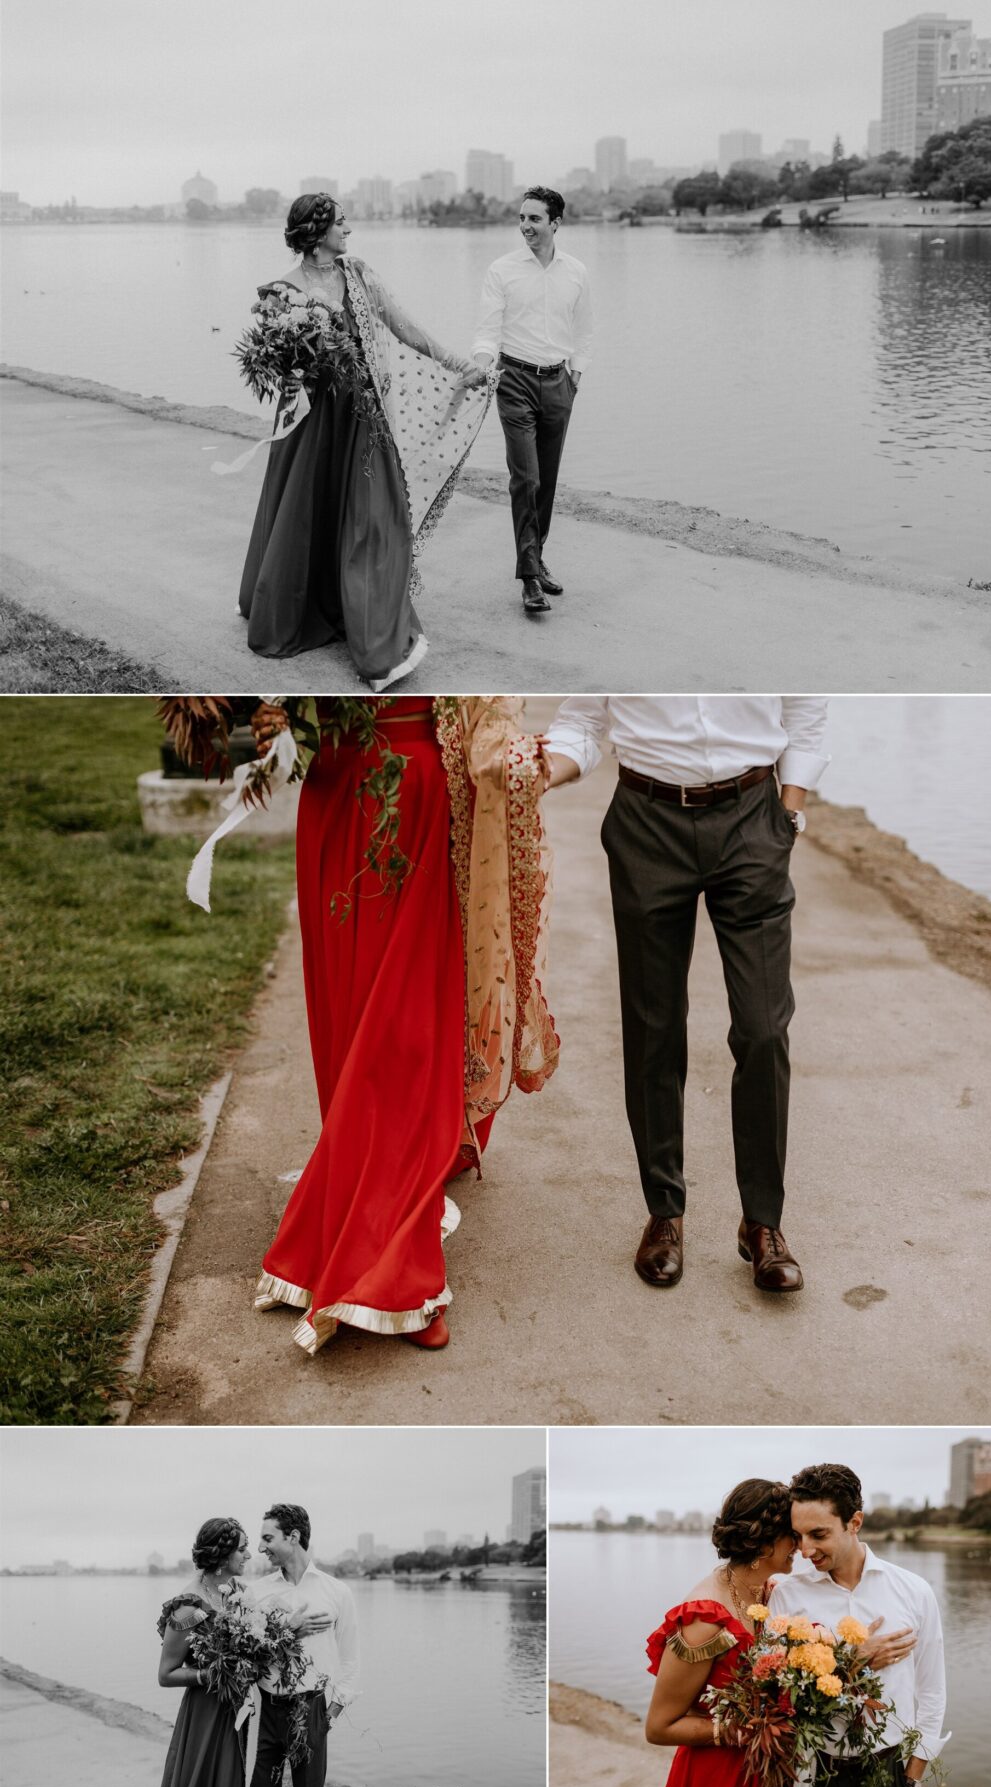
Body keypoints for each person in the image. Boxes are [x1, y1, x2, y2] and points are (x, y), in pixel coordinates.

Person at [172, 694, 558, 1357]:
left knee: (404, 1031)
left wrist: (522, 760)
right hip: (337, 791)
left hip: (416, 798)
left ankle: (393, 1256)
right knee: (353, 1024)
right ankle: (374, 1200)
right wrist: (255, 711)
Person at [542, 696, 830, 1290]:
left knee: (763, 1026)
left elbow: (806, 714)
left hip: (753, 819)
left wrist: (788, 811)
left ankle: (763, 1225)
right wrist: (538, 771)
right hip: (647, 824)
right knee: (654, 1024)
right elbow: (582, 723)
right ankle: (664, 1213)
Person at [237, 193, 490, 688]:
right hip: (310, 423)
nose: (349, 229)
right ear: (315, 234)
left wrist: (460, 364)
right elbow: (272, 362)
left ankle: (374, 630)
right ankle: (308, 604)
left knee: (374, 518)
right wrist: (286, 376)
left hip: (362, 413)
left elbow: (404, 327)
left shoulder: (360, 275)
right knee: (306, 512)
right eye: (341, 223)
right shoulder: (279, 293)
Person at [769, 1463, 948, 1785]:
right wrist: (851, 1662)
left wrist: (911, 1779)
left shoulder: (915, 1591)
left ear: (854, 1522)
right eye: (798, 1536)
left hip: (890, 1768)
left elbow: (932, 1691)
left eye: (819, 1534)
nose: (806, 1550)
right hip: (812, 1771)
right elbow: (778, 1699)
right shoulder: (786, 1596)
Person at [471, 186, 592, 616]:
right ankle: (528, 580)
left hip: (559, 383)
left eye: (534, 219)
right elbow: (487, 330)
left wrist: (575, 375)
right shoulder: (502, 271)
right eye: (522, 218)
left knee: (548, 480)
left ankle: (536, 558)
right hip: (514, 381)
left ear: (555, 224)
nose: (525, 226)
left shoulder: (576, 271)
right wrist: (484, 366)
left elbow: (583, 330)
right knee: (526, 478)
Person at [644, 1479, 797, 1782]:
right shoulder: (703, 1618)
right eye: (792, 1534)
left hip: (765, 1771)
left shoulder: (769, 1594)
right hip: (717, 1775)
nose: (801, 1545)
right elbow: (658, 1727)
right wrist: (747, 1730)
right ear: (763, 1541)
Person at [250, 1504, 359, 1787]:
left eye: (268, 1538)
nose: (260, 1547)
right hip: (265, 1711)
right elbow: (247, 1654)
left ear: (293, 1537)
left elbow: (350, 1659)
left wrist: (332, 1711)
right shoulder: (256, 1592)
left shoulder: (337, 1592)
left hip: (311, 1710)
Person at [156, 1517, 252, 1787]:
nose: (248, 1554)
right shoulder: (190, 1607)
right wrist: (210, 1674)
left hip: (242, 1707)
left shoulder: (241, 1593)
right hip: (207, 1712)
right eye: (242, 1548)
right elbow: (166, 1674)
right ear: (222, 1555)